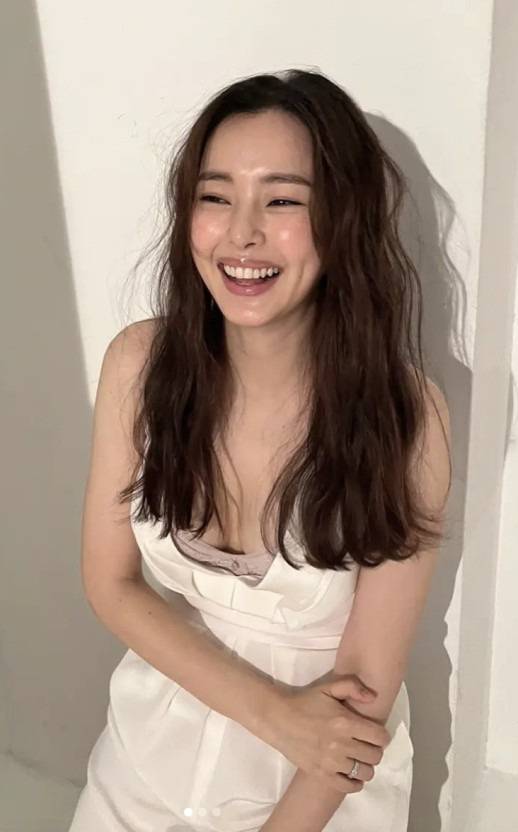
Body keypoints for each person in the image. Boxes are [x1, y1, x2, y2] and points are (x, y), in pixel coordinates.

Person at [68, 69, 451, 832]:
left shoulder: (406, 417)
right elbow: (110, 583)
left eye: (282, 201)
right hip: (149, 753)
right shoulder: (139, 367)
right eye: (215, 197)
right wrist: (275, 713)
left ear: (343, 218)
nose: (241, 234)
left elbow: (363, 691)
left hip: (321, 784)